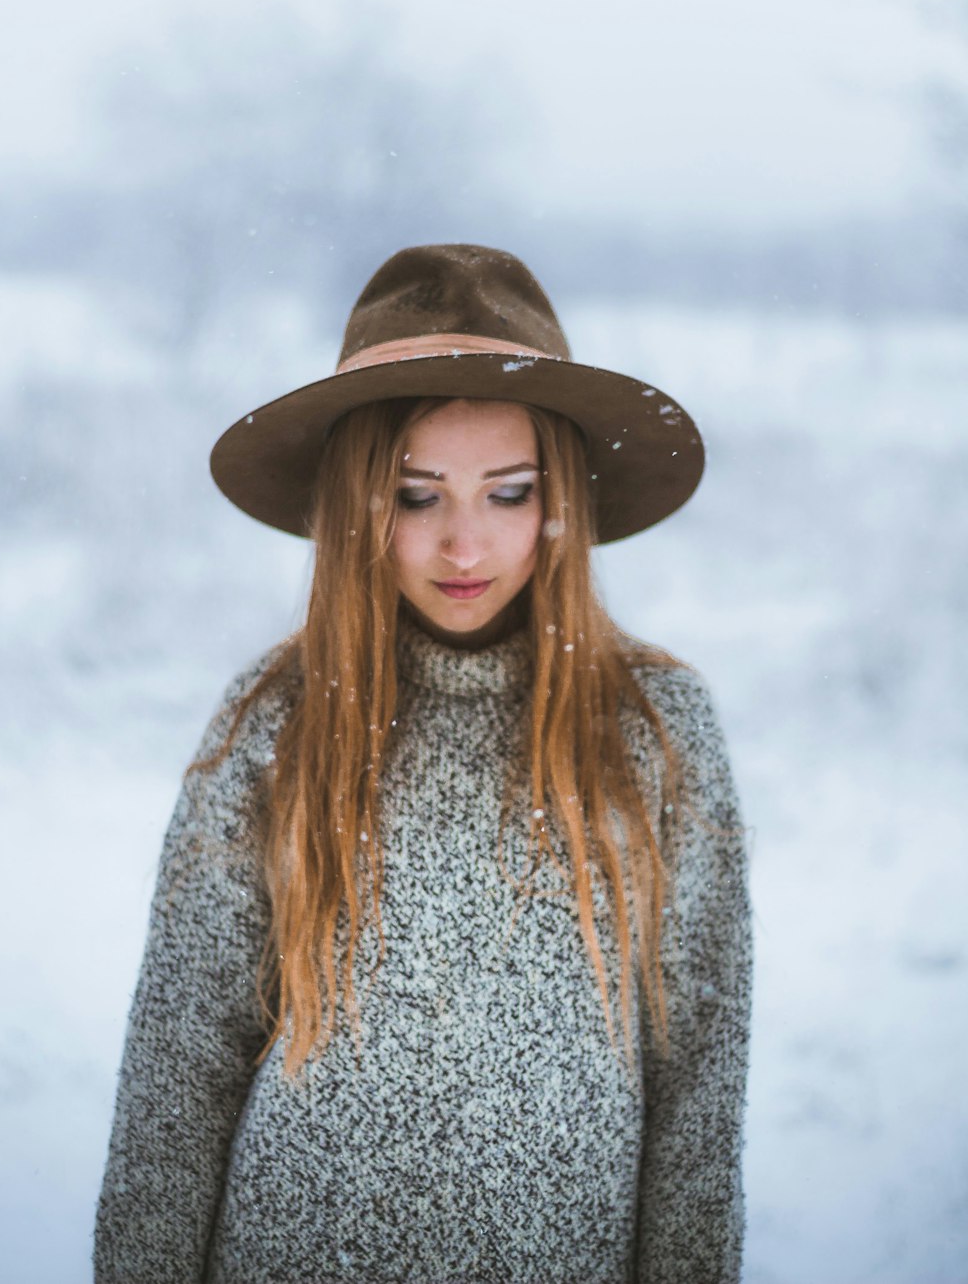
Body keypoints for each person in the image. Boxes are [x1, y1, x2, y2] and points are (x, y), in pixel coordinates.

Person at [94, 243, 754, 1284]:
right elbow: (179, 1072)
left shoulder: (654, 731)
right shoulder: (277, 721)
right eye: (415, 495)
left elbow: (698, 1091)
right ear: (358, 501)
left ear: (558, 503)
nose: (463, 545)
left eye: (505, 493)